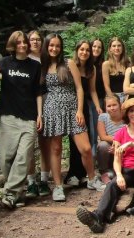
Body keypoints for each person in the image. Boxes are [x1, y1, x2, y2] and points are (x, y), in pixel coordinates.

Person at [76, 98, 134, 233]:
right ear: (127, 114)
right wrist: (119, 175)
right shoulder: (120, 133)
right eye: (131, 111)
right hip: (128, 172)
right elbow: (117, 159)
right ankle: (98, 217)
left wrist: (131, 143)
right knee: (112, 184)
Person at [0, 31, 42, 209]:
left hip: (29, 116)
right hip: (8, 115)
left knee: (23, 157)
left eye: (24, 42)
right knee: (5, 157)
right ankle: (18, 193)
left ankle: (10, 195)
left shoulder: (35, 66)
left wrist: (40, 115)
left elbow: (38, 92)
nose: (23, 45)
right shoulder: (5, 63)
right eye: (19, 43)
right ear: (13, 45)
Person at [39, 33, 95, 201]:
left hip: (72, 109)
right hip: (52, 110)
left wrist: (79, 110)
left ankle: (92, 178)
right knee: (55, 149)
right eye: (51, 45)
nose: (54, 48)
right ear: (46, 46)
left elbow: (79, 88)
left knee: (85, 148)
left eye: (57, 46)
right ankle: (57, 186)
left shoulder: (69, 63)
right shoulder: (42, 66)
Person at [24, 30, 50, 199]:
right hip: (27, 105)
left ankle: (44, 179)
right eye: (32, 39)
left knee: (45, 143)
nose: (35, 42)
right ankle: (31, 181)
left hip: (47, 103)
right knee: (28, 146)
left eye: (38, 39)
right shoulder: (23, 59)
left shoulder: (47, 59)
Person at [75, 40, 103, 159]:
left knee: (91, 130)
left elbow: (92, 90)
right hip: (73, 104)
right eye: (82, 49)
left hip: (86, 104)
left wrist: (98, 106)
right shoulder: (71, 65)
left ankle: (91, 158)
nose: (85, 52)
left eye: (87, 50)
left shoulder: (92, 68)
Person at [95, 95, 125, 190]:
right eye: (109, 106)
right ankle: (104, 172)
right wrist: (116, 142)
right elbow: (103, 136)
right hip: (110, 144)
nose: (112, 108)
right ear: (105, 107)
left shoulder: (126, 115)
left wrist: (119, 145)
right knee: (102, 145)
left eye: (114, 105)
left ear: (119, 105)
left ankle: (122, 171)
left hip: (124, 144)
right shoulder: (103, 117)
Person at [102, 36, 130, 104]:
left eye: (119, 46)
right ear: (110, 49)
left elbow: (131, 83)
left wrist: (126, 100)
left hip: (127, 96)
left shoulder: (128, 63)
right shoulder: (106, 64)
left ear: (122, 48)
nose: (116, 48)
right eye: (114, 46)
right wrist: (114, 100)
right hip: (112, 96)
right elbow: (106, 86)